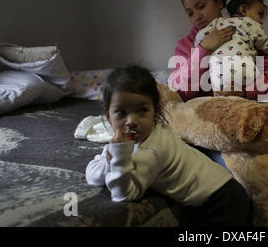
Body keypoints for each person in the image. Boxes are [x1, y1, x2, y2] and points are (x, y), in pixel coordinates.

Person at [85, 65, 253, 226]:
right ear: (109, 117)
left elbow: (123, 194)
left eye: (142, 111)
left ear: (155, 112)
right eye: (121, 113)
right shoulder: (127, 139)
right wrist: (110, 159)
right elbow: (92, 175)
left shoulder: (153, 150)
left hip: (222, 201)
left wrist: (119, 158)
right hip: (222, 191)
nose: (131, 122)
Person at [169, 0, 268, 182]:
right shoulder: (187, 45)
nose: (197, 16)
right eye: (190, 13)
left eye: (201, 6)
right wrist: (203, 50)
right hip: (209, 125)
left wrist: (244, 93)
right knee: (226, 172)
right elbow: (181, 90)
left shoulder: (244, 28)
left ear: (219, 2)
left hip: (249, 115)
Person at [193, 0, 268, 95]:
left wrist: (201, 47)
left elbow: (200, 36)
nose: (261, 21)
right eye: (260, 14)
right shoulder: (252, 25)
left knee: (219, 92)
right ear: (243, 10)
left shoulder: (217, 23)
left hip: (218, 77)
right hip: (245, 72)